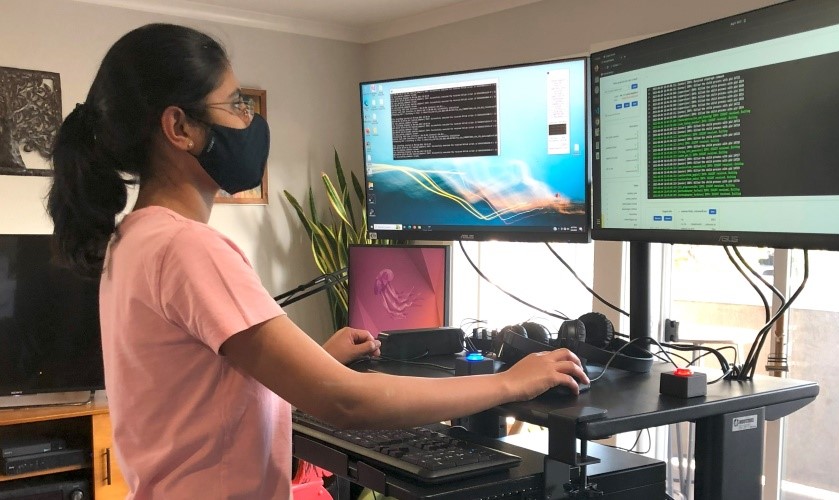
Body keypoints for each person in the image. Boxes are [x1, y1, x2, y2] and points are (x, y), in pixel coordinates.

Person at [47, 23, 588, 500]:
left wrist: (315, 359)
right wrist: (512, 382)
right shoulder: (187, 248)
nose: (248, 121)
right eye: (236, 105)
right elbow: (345, 403)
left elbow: (200, 390)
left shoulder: (135, 240)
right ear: (180, 128)